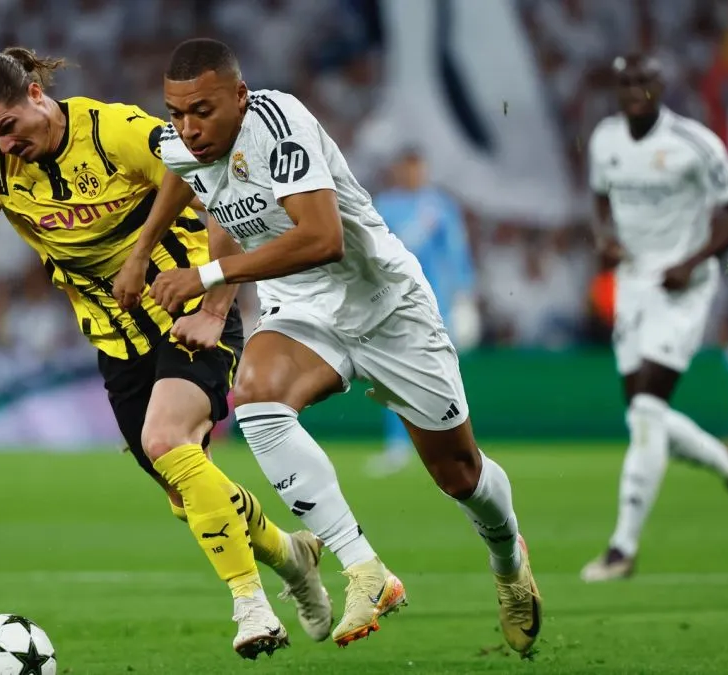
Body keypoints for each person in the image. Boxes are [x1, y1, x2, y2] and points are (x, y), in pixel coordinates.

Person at [0, 47, 331, 659]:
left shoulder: (114, 131)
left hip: (188, 316)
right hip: (116, 341)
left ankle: (250, 606)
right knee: (186, 492)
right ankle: (291, 555)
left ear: (36, 95)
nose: (4, 144)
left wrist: (213, 305)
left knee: (167, 440)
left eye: (7, 126)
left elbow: (223, 200)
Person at [115, 38, 541, 655]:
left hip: (385, 304)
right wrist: (148, 259)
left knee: (459, 475)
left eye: (202, 111)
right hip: (302, 308)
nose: (188, 128)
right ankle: (365, 569)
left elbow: (323, 238)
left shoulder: (278, 123)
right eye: (176, 113)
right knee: (256, 400)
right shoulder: (187, 143)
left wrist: (206, 279)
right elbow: (192, 185)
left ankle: (508, 560)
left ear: (240, 96)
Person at [580, 54, 728, 583]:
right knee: (645, 416)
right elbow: (599, 198)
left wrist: (693, 261)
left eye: (645, 81)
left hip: (683, 288)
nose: (635, 90)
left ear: (661, 87)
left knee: (645, 411)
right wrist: (605, 239)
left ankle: (622, 548)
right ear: (617, 89)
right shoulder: (605, 140)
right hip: (633, 284)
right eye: (626, 82)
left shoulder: (694, 143)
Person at [364, 148, 480, 477]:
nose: (413, 174)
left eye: (418, 168)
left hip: (436, 304)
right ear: (398, 170)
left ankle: (456, 444)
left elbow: (456, 252)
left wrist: (465, 296)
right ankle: (398, 445)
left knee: (441, 376)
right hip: (393, 303)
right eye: (408, 168)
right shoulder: (385, 206)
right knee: (392, 375)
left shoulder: (440, 206)